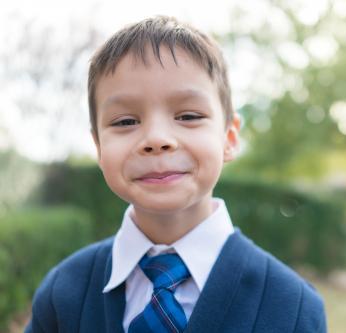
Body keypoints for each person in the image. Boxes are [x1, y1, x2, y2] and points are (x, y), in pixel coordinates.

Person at [26, 16, 326, 333]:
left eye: (188, 115)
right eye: (125, 121)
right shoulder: (63, 293)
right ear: (99, 147)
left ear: (229, 137)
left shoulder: (292, 308)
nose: (156, 139)